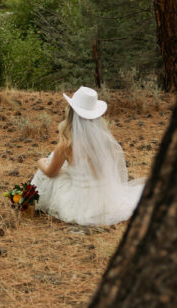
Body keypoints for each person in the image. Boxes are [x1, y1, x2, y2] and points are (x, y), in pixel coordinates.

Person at [32, 86, 145, 226]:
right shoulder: (103, 140)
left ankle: (33, 201)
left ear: (71, 114)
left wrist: (40, 162)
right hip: (105, 199)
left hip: (79, 206)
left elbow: (50, 173)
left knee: (49, 161)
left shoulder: (67, 145)